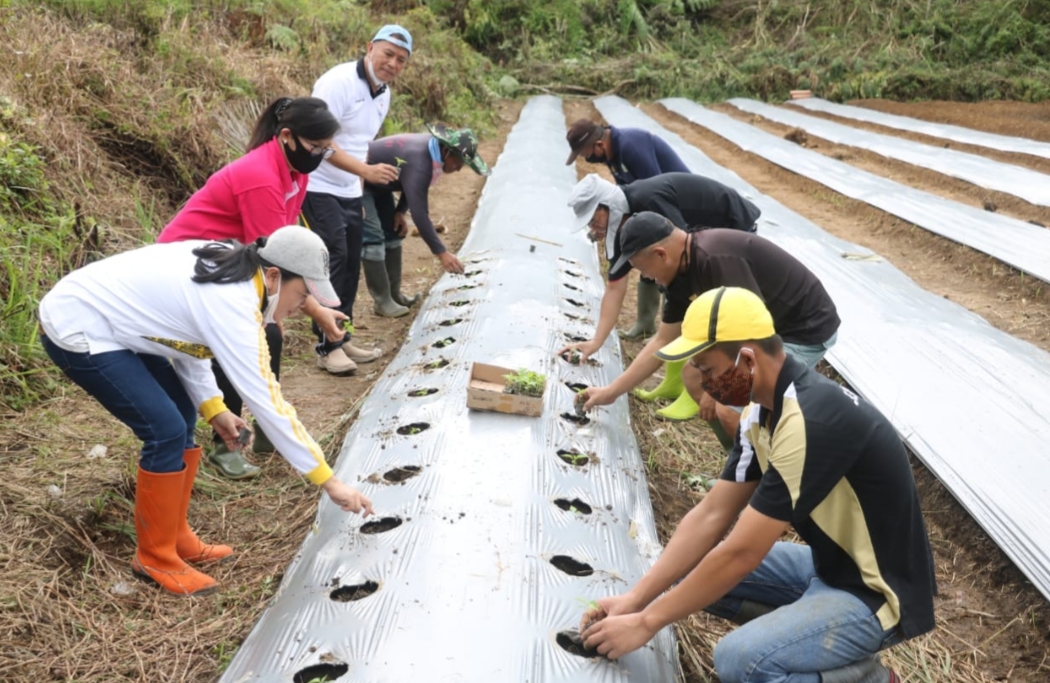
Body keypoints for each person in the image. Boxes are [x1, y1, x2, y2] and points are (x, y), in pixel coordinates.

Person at [579, 286, 936, 683]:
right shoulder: (760, 412)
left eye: (709, 369)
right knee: (685, 568)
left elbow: (742, 551)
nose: (706, 385)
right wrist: (636, 600)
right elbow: (712, 513)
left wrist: (648, 623)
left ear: (747, 358)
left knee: (741, 661)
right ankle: (810, 644)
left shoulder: (807, 421)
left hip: (875, 591)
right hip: (830, 565)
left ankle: (868, 678)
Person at [38, 227, 373, 596]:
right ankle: (154, 557)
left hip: (117, 323)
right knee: (163, 428)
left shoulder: (240, 277)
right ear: (275, 275)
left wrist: (215, 410)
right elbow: (268, 401)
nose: (303, 305)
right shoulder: (232, 300)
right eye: (304, 293)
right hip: (79, 325)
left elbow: (189, 341)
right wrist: (330, 482)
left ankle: (175, 536)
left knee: (183, 413)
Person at [158, 96, 342, 479]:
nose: (320, 155)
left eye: (326, 150)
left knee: (267, 333)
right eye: (315, 147)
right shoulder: (259, 176)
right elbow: (280, 262)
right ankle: (227, 445)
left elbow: (289, 240)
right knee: (252, 337)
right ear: (287, 136)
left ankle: (265, 430)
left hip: (228, 260)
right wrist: (317, 311)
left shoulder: (296, 171)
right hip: (186, 263)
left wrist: (303, 304)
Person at [578, 213, 839, 447]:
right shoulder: (679, 274)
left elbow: (757, 337)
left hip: (802, 330)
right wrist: (610, 392)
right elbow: (662, 342)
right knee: (693, 375)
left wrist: (720, 394)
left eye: (645, 271)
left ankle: (766, 479)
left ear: (660, 254)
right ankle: (738, 461)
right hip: (767, 332)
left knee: (729, 406)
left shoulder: (717, 259)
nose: (650, 279)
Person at [563, 173, 762, 420]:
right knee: (676, 301)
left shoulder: (650, 202)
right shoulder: (622, 221)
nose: (594, 228)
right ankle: (675, 382)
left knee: (703, 309)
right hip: (693, 252)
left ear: (608, 206)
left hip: (732, 226)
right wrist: (595, 342)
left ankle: (697, 388)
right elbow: (615, 286)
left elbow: (683, 252)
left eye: (594, 219)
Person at [303, 24, 412, 373]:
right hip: (318, 186)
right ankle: (327, 346)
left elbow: (358, 143)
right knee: (333, 258)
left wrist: (359, 185)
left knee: (351, 263)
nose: (392, 64)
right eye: (388, 54)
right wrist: (365, 173)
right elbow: (318, 141)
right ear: (369, 48)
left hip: (349, 188)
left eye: (401, 60)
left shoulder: (384, 93)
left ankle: (343, 336)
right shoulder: (339, 83)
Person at [565, 118, 690, 340]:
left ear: (598, 145)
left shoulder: (630, 146)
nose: (586, 158)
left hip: (679, 208)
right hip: (651, 206)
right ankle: (645, 325)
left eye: (585, 153)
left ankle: (674, 330)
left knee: (666, 259)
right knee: (645, 253)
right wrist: (603, 221)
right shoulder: (613, 155)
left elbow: (655, 187)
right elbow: (620, 195)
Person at [361, 122, 491, 317]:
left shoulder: (430, 154)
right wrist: (442, 253)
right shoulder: (421, 161)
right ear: (447, 151)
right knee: (373, 239)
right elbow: (420, 213)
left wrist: (399, 211)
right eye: (458, 162)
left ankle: (395, 294)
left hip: (381, 184)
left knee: (393, 233)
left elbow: (408, 182)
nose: (457, 169)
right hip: (359, 180)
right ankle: (382, 301)